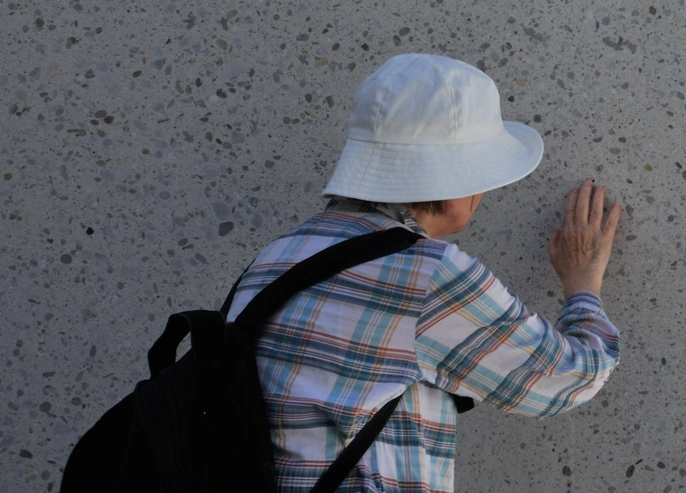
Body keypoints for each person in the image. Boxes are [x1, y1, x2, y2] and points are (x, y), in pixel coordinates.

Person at [226, 53, 623, 492]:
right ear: (452, 182)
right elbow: (567, 378)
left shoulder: (277, 257)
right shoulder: (426, 275)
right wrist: (583, 280)